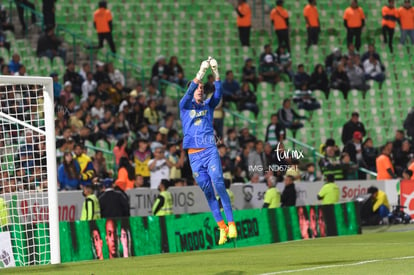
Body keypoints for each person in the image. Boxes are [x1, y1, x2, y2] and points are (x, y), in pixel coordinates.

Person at [179, 57, 237, 245]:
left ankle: (231, 223)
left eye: (202, 88)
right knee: (208, 192)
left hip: (209, 150)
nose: (200, 90)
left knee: (219, 184)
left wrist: (216, 73)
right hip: (193, 156)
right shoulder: (184, 106)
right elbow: (188, 93)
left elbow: (218, 94)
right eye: (198, 88)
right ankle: (222, 228)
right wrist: (201, 73)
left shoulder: (208, 106)